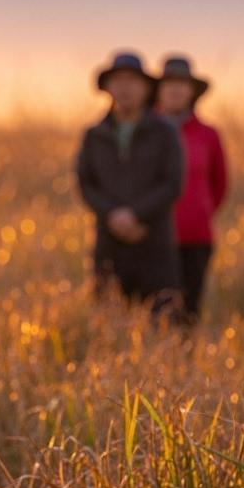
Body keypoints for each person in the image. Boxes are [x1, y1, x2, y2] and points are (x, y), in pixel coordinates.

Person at [77, 52, 186, 317]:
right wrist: (113, 215)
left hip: (154, 242)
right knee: (107, 321)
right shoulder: (94, 134)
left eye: (132, 81)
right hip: (108, 243)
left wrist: (135, 215)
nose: (125, 88)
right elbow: (86, 183)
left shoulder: (165, 132)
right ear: (108, 88)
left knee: (163, 319)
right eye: (118, 81)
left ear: (146, 87)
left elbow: (171, 183)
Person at [154, 55, 228, 324]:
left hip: (196, 237)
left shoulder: (208, 134)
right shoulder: (147, 131)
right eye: (169, 83)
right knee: (156, 313)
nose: (175, 90)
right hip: (154, 238)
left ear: (192, 91)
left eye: (181, 84)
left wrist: (200, 211)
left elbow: (220, 184)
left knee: (189, 312)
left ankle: (185, 361)